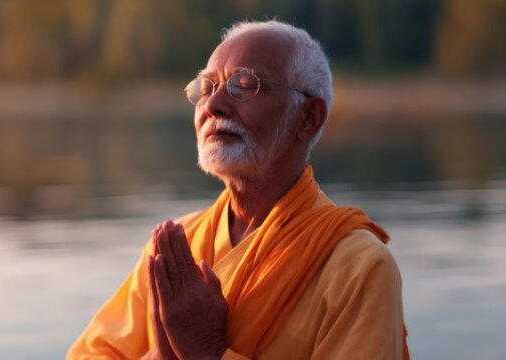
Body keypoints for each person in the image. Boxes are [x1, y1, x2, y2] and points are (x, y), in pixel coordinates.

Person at [68, 20, 409, 360]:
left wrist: (207, 351)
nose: (213, 104)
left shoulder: (358, 266)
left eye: (244, 85)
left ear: (308, 118)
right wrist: (162, 355)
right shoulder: (178, 247)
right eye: (206, 87)